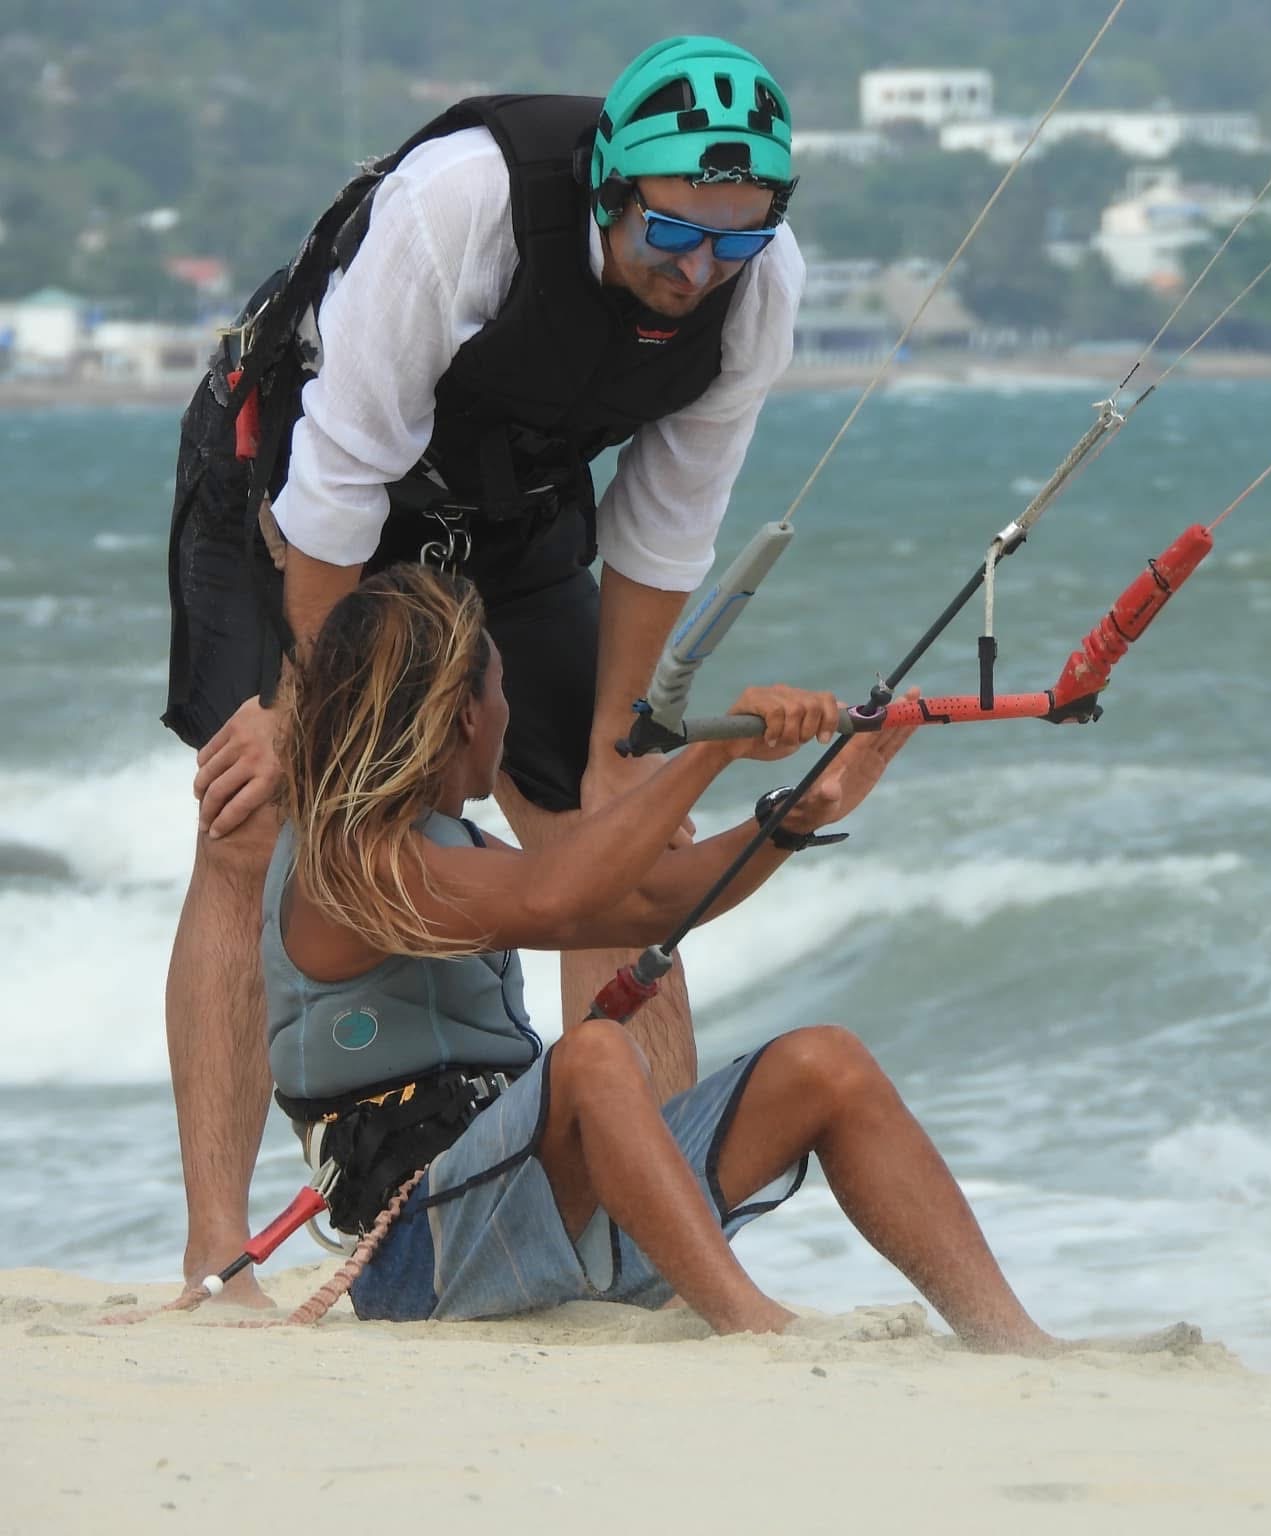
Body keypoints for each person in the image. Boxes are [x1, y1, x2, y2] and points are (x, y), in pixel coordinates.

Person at [159, 35, 806, 1300]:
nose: (699, 271)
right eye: (672, 235)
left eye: (733, 242)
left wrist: (623, 732)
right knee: (251, 817)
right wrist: (301, 708)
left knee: (598, 811)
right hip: (295, 496)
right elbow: (339, 486)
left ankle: (644, 1245)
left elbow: (666, 527)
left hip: (507, 514)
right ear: (612, 186)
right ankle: (215, 1255)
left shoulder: (756, 284)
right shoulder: (462, 202)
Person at [264, 566, 1122, 1352]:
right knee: (596, 1055)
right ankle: (753, 1325)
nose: (509, 713)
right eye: (502, 691)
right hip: (422, 1259)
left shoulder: (448, 847)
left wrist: (792, 818)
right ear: (462, 715)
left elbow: (646, 901)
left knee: (827, 1066)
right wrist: (710, 752)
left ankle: (1014, 1340)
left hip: (542, 1217)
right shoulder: (347, 864)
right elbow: (558, 894)